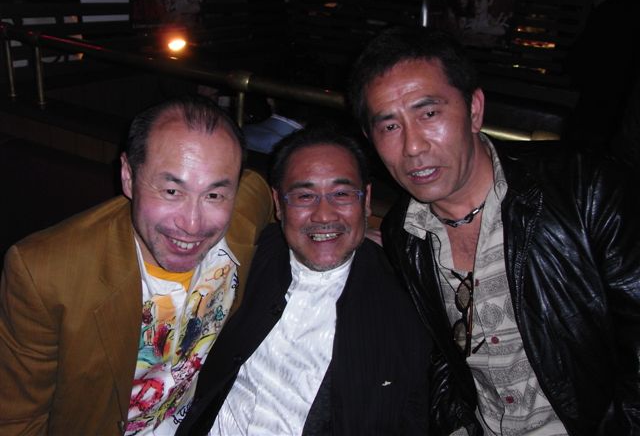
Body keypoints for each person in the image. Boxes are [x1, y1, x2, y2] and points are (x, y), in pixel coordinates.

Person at [348, 26, 640, 435]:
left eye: (429, 114)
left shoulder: (584, 191)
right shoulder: (405, 234)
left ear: (474, 110)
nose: (413, 147)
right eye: (389, 127)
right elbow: (444, 355)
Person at [0, 95, 274, 435]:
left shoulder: (247, 208)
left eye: (214, 195)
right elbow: (16, 422)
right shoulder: (45, 275)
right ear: (128, 176)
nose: (192, 224)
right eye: (172, 191)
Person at [176, 125, 432, 435]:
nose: (324, 215)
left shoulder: (405, 307)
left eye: (341, 194)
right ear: (278, 204)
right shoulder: (244, 258)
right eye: (304, 196)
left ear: (365, 200)